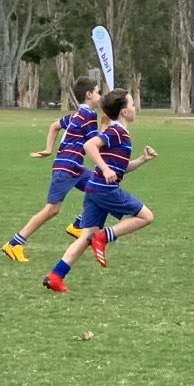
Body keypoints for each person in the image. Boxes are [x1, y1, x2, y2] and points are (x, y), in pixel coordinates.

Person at [42, 89, 157, 292]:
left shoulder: (119, 133)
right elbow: (89, 145)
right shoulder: (117, 132)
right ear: (124, 112)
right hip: (105, 189)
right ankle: (104, 237)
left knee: (87, 235)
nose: (135, 108)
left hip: (94, 188)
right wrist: (104, 169)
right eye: (132, 104)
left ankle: (55, 276)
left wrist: (142, 160)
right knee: (146, 216)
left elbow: (119, 168)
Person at [2, 77, 102, 262]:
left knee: (100, 188)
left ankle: (77, 226)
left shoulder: (77, 115)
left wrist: (49, 149)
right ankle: (14, 244)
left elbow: (54, 126)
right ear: (89, 95)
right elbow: (94, 144)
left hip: (74, 167)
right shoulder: (88, 116)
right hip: (67, 167)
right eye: (98, 92)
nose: (100, 96)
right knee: (52, 209)